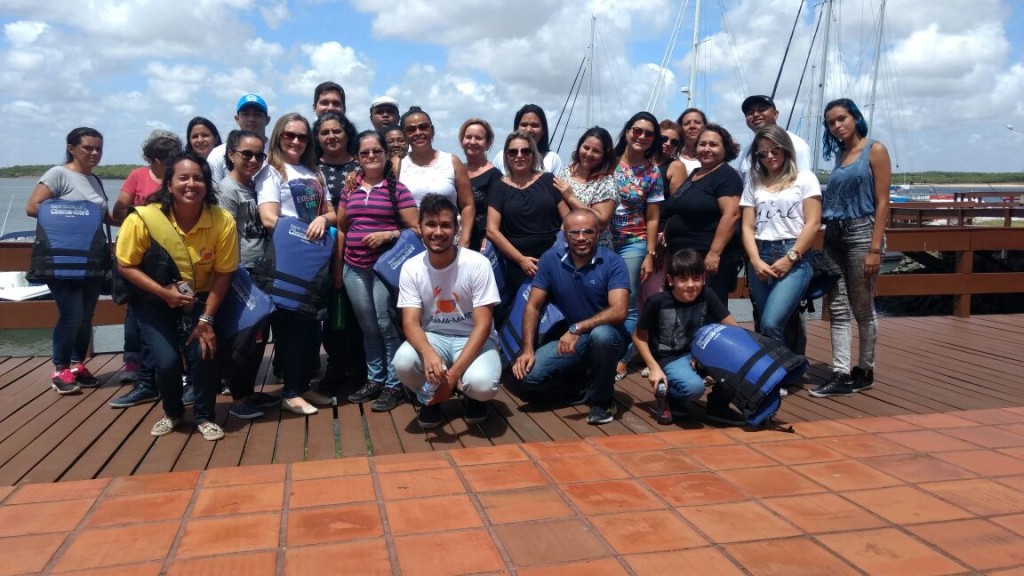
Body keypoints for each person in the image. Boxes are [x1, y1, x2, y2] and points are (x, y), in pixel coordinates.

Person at [115, 151, 239, 441]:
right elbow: (125, 265)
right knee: (167, 360)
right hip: (153, 299)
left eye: (198, 178)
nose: (191, 184)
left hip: (199, 299)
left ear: (208, 185)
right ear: (168, 184)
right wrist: (161, 292)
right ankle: (172, 412)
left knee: (203, 351)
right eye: (183, 178)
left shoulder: (221, 221)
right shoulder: (144, 218)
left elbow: (223, 274)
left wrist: (207, 318)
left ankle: (206, 416)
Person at [508, 209, 630, 425]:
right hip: (574, 339)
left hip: (609, 336)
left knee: (601, 336)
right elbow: (533, 305)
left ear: (598, 233)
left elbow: (619, 311)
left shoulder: (613, 262)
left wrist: (578, 327)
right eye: (574, 233)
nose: (581, 238)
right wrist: (527, 350)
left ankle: (603, 401)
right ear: (565, 235)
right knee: (527, 377)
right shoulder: (550, 259)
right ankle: (582, 381)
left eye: (587, 232)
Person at [394, 194, 502, 429]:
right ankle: (431, 399)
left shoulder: (477, 263)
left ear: (456, 229)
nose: (438, 232)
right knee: (403, 362)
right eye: (431, 224)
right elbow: (411, 321)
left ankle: (471, 396)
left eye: (445, 225)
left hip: (474, 337)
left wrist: (451, 378)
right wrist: (428, 352)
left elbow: (483, 325)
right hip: (435, 335)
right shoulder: (411, 267)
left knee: (482, 384)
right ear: (420, 226)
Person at [256, 112, 337, 415]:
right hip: (288, 259)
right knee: (289, 327)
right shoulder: (271, 171)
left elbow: (332, 213)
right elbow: (268, 218)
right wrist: (302, 233)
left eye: (302, 136)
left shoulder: (314, 172)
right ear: (278, 136)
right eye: (289, 135)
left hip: (314, 260)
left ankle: (301, 385)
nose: (296, 141)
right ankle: (290, 391)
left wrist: (321, 218)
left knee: (310, 327)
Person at [810, 98, 891, 398]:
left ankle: (865, 369)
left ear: (855, 117)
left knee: (862, 305)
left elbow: (883, 202)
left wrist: (874, 249)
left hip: (861, 232)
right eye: (831, 122)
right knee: (839, 306)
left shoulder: (875, 150)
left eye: (841, 118)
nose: (837, 125)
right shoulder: (842, 155)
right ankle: (841, 372)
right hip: (834, 234)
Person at [25, 127, 112, 395]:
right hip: (62, 259)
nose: (94, 153)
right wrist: (72, 215)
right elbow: (33, 207)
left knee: (86, 316)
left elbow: (103, 216)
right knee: (71, 315)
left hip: (92, 259)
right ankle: (59, 368)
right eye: (88, 147)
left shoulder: (95, 179)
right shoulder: (57, 174)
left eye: (98, 148)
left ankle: (77, 365)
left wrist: (141, 218)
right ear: (72, 147)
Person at [339, 130, 419, 412]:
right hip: (354, 268)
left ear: (386, 155)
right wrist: (339, 270)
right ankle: (375, 379)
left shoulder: (398, 190)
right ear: (357, 157)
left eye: (376, 151)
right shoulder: (349, 189)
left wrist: (388, 234)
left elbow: (416, 229)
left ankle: (394, 384)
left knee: (387, 326)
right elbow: (342, 228)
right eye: (364, 152)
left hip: (384, 269)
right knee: (368, 328)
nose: (371, 156)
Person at [109, 130, 183, 407]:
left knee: (171, 329)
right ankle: (144, 381)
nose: (171, 162)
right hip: (141, 259)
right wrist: (145, 217)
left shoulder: (180, 178)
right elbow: (119, 210)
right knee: (142, 324)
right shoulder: (138, 176)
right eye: (166, 158)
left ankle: (169, 382)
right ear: (152, 159)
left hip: (171, 259)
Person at [632, 249, 745, 426]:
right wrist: (653, 367)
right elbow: (638, 337)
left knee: (738, 360)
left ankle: (718, 407)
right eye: (683, 279)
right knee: (693, 388)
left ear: (704, 278)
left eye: (696, 278)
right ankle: (669, 395)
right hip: (669, 357)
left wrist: (711, 352)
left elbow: (733, 328)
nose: (691, 285)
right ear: (670, 280)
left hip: (698, 352)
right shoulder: (657, 302)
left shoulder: (707, 294)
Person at [214, 129, 283, 419]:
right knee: (242, 338)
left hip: (261, 270)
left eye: (259, 155)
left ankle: (248, 391)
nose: (253, 160)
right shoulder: (226, 190)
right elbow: (224, 237)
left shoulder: (255, 186)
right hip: (240, 272)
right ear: (231, 154)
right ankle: (239, 397)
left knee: (257, 336)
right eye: (246, 154)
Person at [740, 126, 822, 347]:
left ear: (785, 149)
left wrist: (791, 257)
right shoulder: (754, 182)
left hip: (793, 254)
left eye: (775, 150)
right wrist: (755, 260)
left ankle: (779, 374)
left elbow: (812, 222)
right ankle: (781, 373)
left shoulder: (805, 178)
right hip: (761, 253)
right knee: (765, 322)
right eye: (762, 153)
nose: (769, 156)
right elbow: (747, 227)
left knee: (771, 322)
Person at [661, 124, 744, 307]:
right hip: (683, 256)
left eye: (713, 145)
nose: (706, 149)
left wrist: (714, 254)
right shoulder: (696, 173)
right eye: (702, 144)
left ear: (725, 149)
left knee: (708, 309)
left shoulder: (726, 176)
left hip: (707, 257)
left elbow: (731, 215)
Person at [312, 112, 365, 391]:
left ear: (347, 133)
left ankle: (358, 370)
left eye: (337, 131)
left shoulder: (361, 165)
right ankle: (334, 368)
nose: (331, 137)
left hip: (356, 251)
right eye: (324, 132)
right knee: (331, 315)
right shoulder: (312, 168)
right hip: (321, 251)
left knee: (357, 314)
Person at [486, 132, 569, 311]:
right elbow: (492, 230)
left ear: (533, 154)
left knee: (560, 309)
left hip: (555, 257)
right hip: (519, 263)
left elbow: (567, 219)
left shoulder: (548, 180)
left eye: (525, 151)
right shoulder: (499, 187)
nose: (519, 156)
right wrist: (521, 260)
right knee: (525, 312)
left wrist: (556, 251)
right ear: (506, 156)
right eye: (513, 152)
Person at [610, 112, 664, 380]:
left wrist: (650, 254)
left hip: (634, 241)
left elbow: (653, 216)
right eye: (637, 130)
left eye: (649, 133)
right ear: (627, 131)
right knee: (600, 297)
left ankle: (623, 357)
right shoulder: (607, 163)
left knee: (629, 300)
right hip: (602, 241)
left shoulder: (653, 172)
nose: (642, 136)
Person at [399, 107, 475, 246]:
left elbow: (468, 205)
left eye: (423, 127)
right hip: (413, 244)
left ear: (432, 130)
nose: (418, 132)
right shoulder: (397, 165)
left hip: (450, 241)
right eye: (411, 129)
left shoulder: (452, 161)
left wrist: (464, 240)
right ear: (404, 135)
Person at [552, 127, 617, 249]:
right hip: (565, 243)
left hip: (596, 248)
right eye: (586, 148)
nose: (589, 154)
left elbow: (601, 220)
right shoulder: (565, 172)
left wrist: (571, 197)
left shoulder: (606, 182)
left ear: (604, 155)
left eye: (596, 151)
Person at [738, 95, 812, 176]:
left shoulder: (797, 145)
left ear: (775, 114)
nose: (755, 114)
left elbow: (805, 182)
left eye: (762, 109)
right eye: (750, 112)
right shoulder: (744, 153)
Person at [459, 118, 502, 250]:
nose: (472, 142)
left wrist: (486, 242)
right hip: (453, 238)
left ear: (488, 144)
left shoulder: (494, 176)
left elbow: (495, 214)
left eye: (478, 138)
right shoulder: (457, 171)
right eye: (468, 137)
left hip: (480, 242)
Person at [208, 94, 272, 183]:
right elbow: (214, 192)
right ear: (237, 119)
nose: (251, 119)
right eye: (246, 114)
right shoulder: (218, 154)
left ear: (267, 120)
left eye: (257, 114)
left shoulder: (278, 152)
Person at [493, 104, 563, 174]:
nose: (528, 130)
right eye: (524, 125)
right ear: (516, 128)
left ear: (543, 130)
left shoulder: (553, 159)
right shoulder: (501, 157)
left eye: (534, 125)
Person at [675, 108, 707, 175]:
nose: (692, 126)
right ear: (680, 128)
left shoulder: (712, 160)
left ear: (705, 126)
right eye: (687, 123)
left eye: (697, 122)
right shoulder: (673, 156)